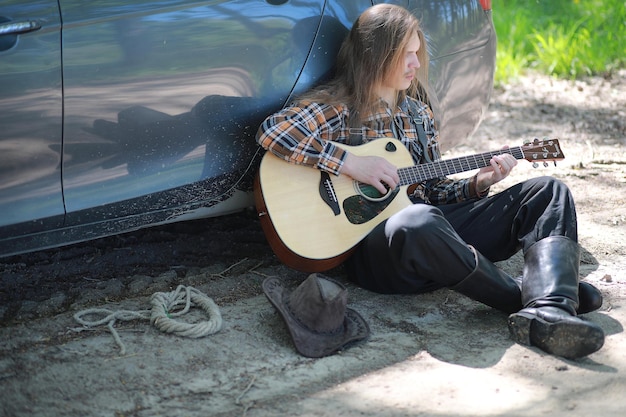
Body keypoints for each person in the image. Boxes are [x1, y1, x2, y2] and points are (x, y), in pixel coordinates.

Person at [255, 4, 605, 359]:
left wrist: (478, 183)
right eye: (405, 54)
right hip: (382, 253)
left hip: (437, 238)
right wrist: (352, 163)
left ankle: (552, 311)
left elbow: (432, 190)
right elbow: (273, 132)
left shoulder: (418, 114)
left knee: (548, 191)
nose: (416, 64)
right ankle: (529, 298)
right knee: (417, 221)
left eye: (417, 53)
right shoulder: (339, 107)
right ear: (376, 55)